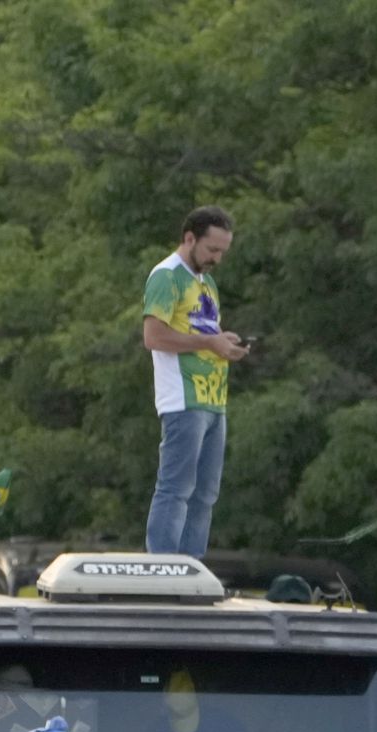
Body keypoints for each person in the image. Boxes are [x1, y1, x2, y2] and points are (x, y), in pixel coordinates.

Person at [143, 205, 248, 557]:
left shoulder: (206, 282)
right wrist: (208, 342)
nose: (217, 258)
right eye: (212, 250)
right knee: (176, 488)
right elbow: (154, 336)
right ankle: (164, 569)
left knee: (205, 494)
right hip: (183, 399)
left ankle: (192, 569)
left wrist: (223, 342)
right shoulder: (166, 276)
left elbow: (204, 330)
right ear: (190, 238)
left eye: (222, 251)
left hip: (213, 399)